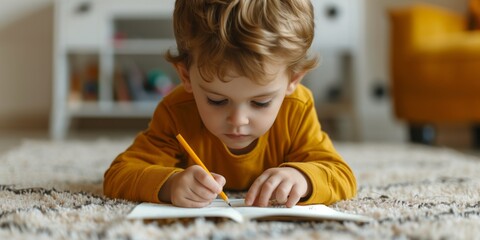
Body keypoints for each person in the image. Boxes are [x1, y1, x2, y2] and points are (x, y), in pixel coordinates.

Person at [104, 0, 357, 208]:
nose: (238, 120)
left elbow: (341, 176)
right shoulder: (177, 111)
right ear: (185, 76)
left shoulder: (296, 108)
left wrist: (302, 178)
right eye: (217, 100)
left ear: (293, 80)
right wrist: (171, 184)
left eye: (261, 102)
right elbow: (119, 174)